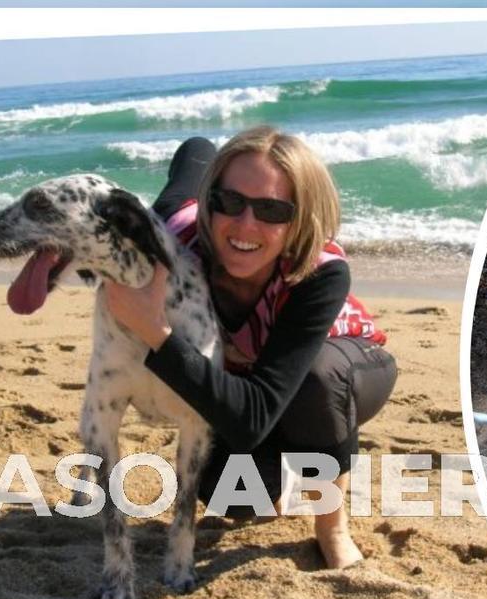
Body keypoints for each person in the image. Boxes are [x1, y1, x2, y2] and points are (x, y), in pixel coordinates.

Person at [104, 128, 397, 569]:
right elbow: (194, 152)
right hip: (248, 384)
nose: (245, 225)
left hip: (344, 367)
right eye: (230, 201)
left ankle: (332, 527)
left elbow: (252, 419)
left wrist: (154, 331)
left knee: (314, 382)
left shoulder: (319, 272)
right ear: (209, 199)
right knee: (232, 494)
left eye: (272, 209)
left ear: (299, 219)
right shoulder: (167, 244)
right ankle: (280, 479)